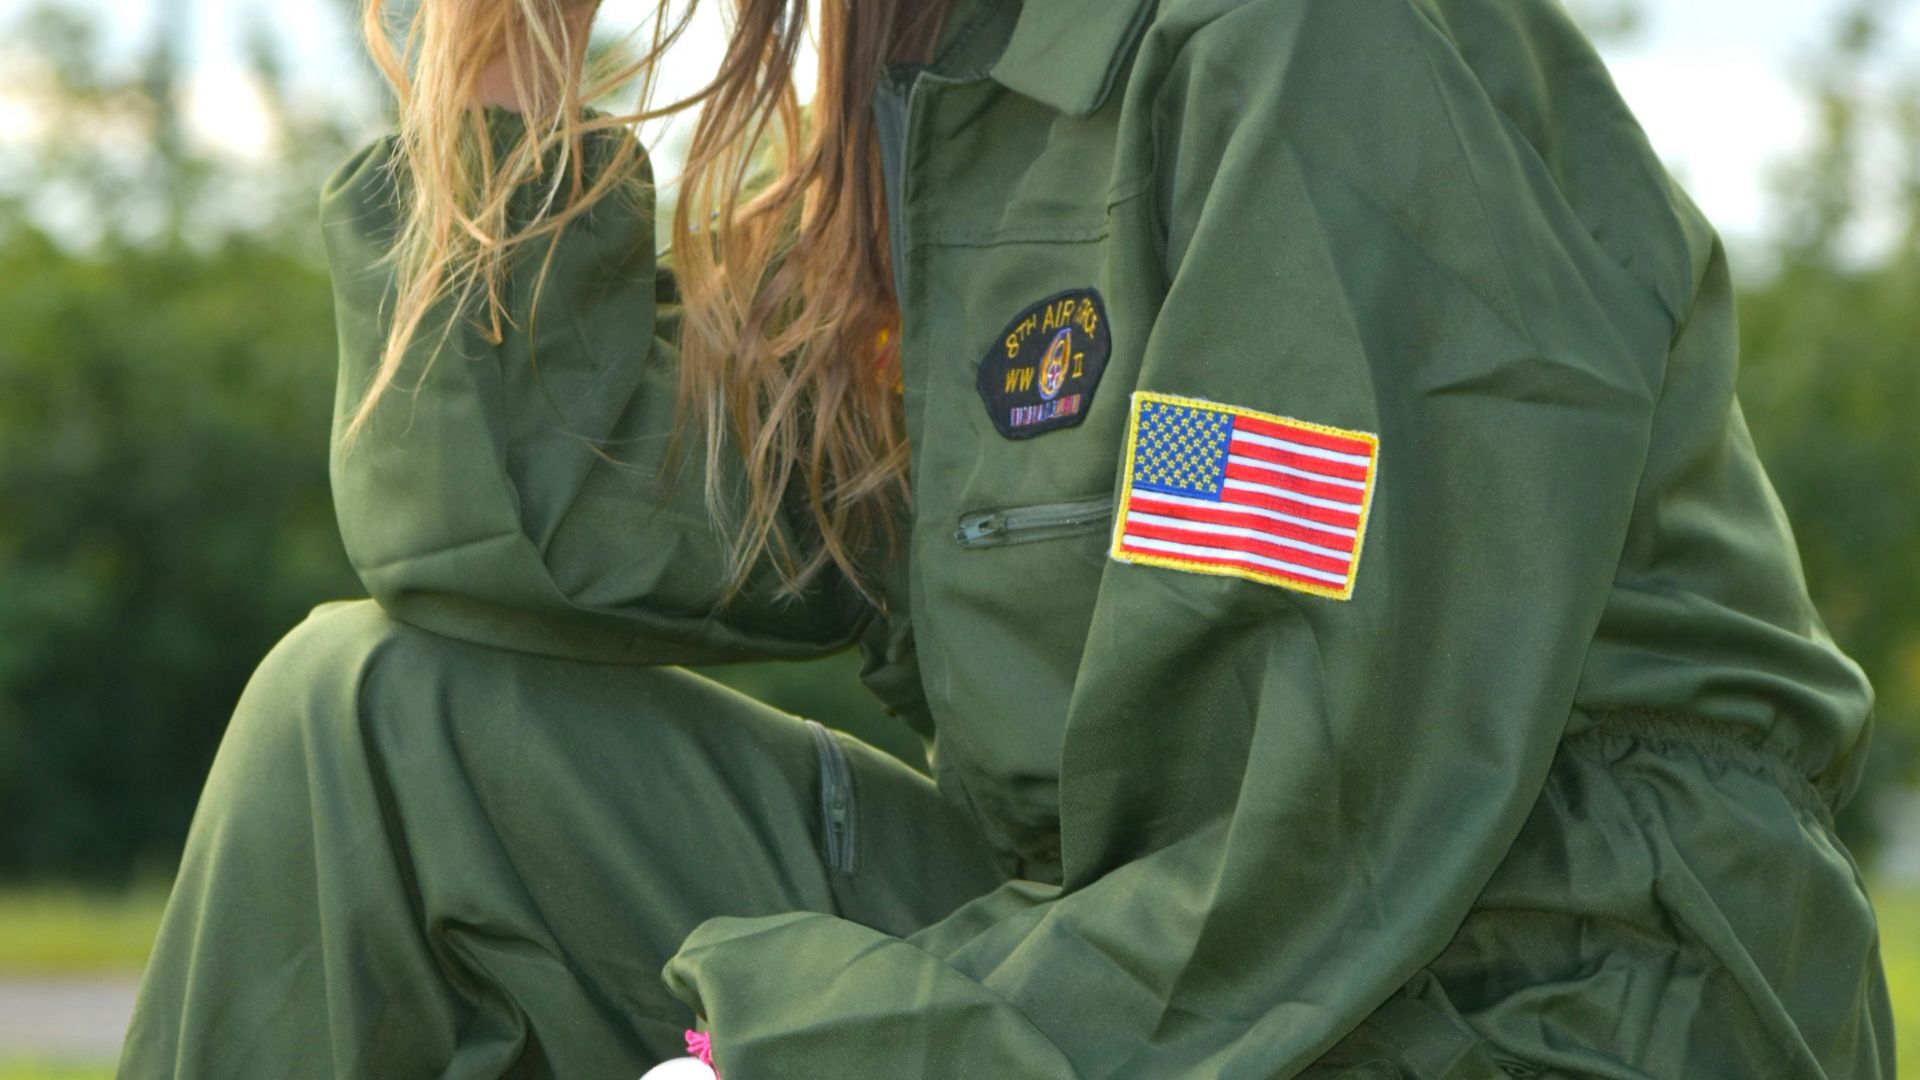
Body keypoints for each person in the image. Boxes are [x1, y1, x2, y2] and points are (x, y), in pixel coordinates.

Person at [118, 0, 1897, 1075]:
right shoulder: (969, 102)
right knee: (363, 723)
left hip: (1523, 1020)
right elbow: (516, 519)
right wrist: (496, 69)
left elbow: (1328, 832)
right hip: (1180, 982)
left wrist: (806, 1051)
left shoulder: (1306, 46)